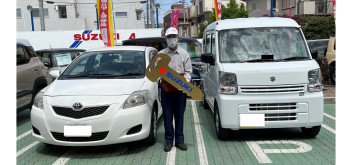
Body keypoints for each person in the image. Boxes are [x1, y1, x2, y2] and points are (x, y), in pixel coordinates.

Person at [157, 27, 192, 152]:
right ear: (166, 39)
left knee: (179, 115)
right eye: (169, 37)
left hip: (180, 90)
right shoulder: (160, 54)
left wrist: (184, 83)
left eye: (174, 36)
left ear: (178, 37)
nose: (172, 39)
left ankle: (180, 141)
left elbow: (188, 72)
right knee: (167, 115)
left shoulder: (184, 54)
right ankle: (168, 141)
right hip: (166, 89)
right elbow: (157, 72)